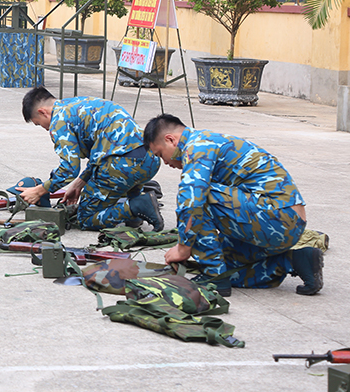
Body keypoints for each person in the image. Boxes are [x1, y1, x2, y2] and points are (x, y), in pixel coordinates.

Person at [143, 114, 323, 297]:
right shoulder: (205, 141)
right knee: (225, 266)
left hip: (279, 217)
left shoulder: (198, 146)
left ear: (170, 139)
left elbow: (192, 202)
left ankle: (214, 276)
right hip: (281, 222)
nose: (165, 162)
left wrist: (183, 247)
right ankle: (294, 261)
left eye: (160, 154)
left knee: (197, 195)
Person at [18, 86, 163, 231]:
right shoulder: (80, 103)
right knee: (115, 182)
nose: (46, 129)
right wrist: (79, 184)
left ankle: (136, 207)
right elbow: (101, 153)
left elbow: (69, 169)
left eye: (39, 123)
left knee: (86, 218)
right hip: (150, 160)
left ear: (42, 112)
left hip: (124, 166)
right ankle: (135, 212)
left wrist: (39, 191)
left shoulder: (59, 121)